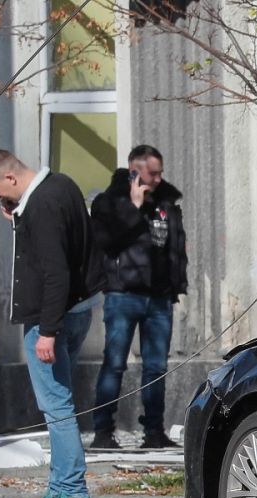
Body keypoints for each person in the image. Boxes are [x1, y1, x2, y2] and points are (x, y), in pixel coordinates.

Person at [0, 149, 103, 498]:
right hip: (78, 309)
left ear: (10, 178)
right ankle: (59, 490)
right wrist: (18, 217)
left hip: (49, 319)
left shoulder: (41, 206)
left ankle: (72, 493)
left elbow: (55, 271)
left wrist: (47, 331)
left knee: (57, 407)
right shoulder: (61, 186)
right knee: (59, 403)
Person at [88, 145, 188, 450]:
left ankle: (154, 432)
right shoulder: (108, 202)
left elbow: (174, 246)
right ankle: (103, 432)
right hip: (123, 294)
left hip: (159, 297)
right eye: (152, 173)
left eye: (160, 173)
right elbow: (106, 242)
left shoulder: (166, 202)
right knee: (115, 364)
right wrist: (133, 207)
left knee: (156, 368)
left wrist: (175, 283)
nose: (157, 179)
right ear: (134, 170)